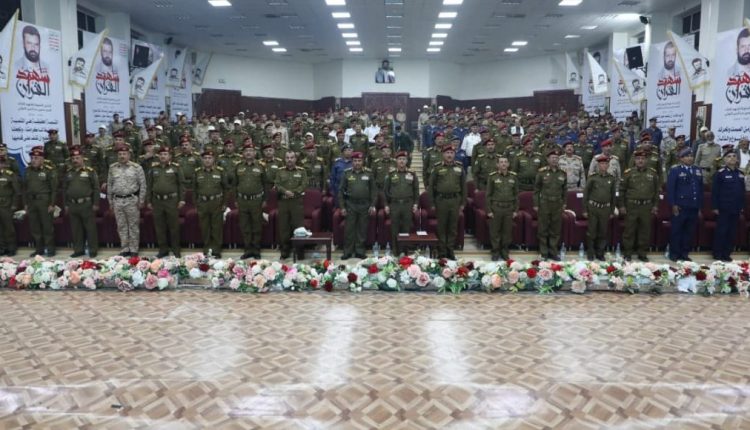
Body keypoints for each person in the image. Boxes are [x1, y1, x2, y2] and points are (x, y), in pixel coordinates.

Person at [618, 150, 659, 262]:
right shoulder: (628, 173)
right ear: (635, 160)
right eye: (638, 159)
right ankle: (627, 253)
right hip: (631, 206)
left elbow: (656, 191)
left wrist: (655, 205)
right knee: (629, 230)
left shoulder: (653, 173)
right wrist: (621, 205)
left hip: (646, 206)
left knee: (645, 230)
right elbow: (622, 190)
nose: (640, 161)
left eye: (643, 159)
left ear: (646, 160)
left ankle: (642, 253)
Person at [107, 144, 147, 257]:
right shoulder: (112, 168)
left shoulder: (137, 168)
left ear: (129, 155)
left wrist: (141, 200)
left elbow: (143, 185)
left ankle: (134, 249)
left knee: (133, 226)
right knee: (121, 226)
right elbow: (110, 185)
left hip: (132, 200)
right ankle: (124, 248)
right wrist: (110, 201)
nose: (122, 156)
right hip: (117, 201)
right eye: (120, 154)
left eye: (124, 154)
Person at [146, 146, 185, 258]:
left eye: (165, 154)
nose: (162, 156)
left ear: (170, 156)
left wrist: (182, 199)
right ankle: (163, 249)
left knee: (174, 226)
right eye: (161, 154)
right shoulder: (153, 168)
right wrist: (148, 200)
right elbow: (149, 185)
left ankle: (176, 249)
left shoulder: (176, 167)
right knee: (159, 227)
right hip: (157, 201)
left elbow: (181, 185)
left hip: (171, 201)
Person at [428, 146, 466, 260]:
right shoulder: (437, 167)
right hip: (441, 201)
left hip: (455, 201)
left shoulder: (459, 167)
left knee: (452, 227)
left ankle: (450, 250)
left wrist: (463, 203)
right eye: (447, 152)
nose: (449, 155)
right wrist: (432, 203)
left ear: (454, 154)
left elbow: (464, 186)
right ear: (443, 154)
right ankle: (442, 251)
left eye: (451, 153)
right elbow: (431, 186)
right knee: (442, 227)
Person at [666, 148, 703, 262]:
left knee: (689, 232)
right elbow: (670, 189)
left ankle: (684, 253)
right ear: (681, 158)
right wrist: (673, 204)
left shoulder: (697, 170)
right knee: (676, 231)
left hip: (693, 206)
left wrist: (699, 206)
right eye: (687, 156)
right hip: (680, 206)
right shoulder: (675, 170)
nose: (690, 158)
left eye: (691, 156)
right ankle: (674, 253)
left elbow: (700, 189)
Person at [339, 152, 376, 259]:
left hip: (365, 205)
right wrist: (342, 207)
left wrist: (372, 205)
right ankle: (348, 251)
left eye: (359, 161)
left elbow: (374, 191)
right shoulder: (347, 173)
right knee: (349, 229)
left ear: (363, 161)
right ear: (352, 162)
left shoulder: (369, 173)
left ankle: (360, 251)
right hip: (351, 205)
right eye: (355, 161)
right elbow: (341, 191)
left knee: (362, 229)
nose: (357, 163)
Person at [64, 147, 99, 258]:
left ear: (82, 158)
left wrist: (96, 203)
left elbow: (96, 188)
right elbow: (65, 189)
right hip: (72, 204)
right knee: (76, 229)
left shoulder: (90, 171)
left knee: (90, 228)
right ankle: (79, 250)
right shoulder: (68, 173)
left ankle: (93, 250)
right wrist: (66, 204)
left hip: (86, 204)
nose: (75, 160)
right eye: (73, 158)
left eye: (77, 158)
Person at [192, 150, 228, 258]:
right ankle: (207, 248)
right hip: (202, 203)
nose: (207, 160)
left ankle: (216, 249)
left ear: (214, 159)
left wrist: (224, 203)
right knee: (204, 227)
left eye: (209, 158)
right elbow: (194, 189)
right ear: (202, 160)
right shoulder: (197, 172)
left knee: (216, 227)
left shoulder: (220, 171)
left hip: (216, 202)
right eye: (205, 158)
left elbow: (226, 188)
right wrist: (196, 204)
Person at [711, 149, 745, 262]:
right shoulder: (720, 173)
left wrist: (742, 206)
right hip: (723, 207)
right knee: (722, 231)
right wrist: (715, 207)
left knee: (732, 232)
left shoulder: (740, 174)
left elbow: (742, 192)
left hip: (736, 208)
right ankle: (717, 253)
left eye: (734, 156)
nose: (732, 158)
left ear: (737, 159)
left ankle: (726, 253)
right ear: (725, 159)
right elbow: (715, 192)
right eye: (729, 156)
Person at [234, 143, 266, 259]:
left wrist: (265, 199)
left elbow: (265, 184)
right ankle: (248, 249)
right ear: (243, 153)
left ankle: (256, 249)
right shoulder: (238, 166)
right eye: (246, 151)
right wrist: (236, 199)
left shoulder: (261, 166)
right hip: (242, 200)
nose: (248, 153)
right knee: (245, 226)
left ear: (255, 153)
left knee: (257, 225)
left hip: (256, 200)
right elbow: (235, 184)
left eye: (251, 150)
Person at [23, 147, 57, 257]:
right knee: (35, 227)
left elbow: (54, 189)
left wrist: (52, 204)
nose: (33, 160)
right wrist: (25, 204)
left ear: (42, 159)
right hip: (31, 202)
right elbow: (24, 189)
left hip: (44, 202)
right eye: (32, 158)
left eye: (36, 158)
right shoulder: (28, 170)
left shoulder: (48, 170)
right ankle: (39, 249)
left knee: (47, 227)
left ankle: (50, 249)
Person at [384, 151, 419, 256]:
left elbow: (416, 190)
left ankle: (404, 252)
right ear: (396, 161)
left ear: (407, 161)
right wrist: (386, 205)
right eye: (400, 159)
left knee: (406, 228)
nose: (402, 161)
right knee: (394, 228)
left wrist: (415, 204)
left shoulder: (412, 174)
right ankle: (395, 252)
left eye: (404, 159)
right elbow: (385, 191)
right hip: (394, 205)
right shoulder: (391, 174)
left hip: (407, 204)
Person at [534, 149, 567, 260]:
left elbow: (564, 190)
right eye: (552, 158)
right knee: (543, 228)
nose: (554, 160)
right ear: (548, 159)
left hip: (557, 204)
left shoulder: (562, 173)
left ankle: (553, 252)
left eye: (556, 158)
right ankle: (543, 252)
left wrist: (564, 203)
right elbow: (536, 189)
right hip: (545, 203)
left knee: (555, 229)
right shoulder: (542, 172)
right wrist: (536, 204)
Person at [583, 155, 616, 261]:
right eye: (602, 164)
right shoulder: (593, 177)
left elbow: (613, 196)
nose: (604, 166)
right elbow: (586, 194)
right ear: (598, 165)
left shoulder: (611, 178)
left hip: (605, 209)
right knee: (592, 232)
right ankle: (590, 252)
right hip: (593, 208)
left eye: (606, 164)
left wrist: (612, 210)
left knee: (603, 232)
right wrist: (584, 210)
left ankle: (600, 253)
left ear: (608, 165)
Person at [275, 151, 307, 259]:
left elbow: (304, 184)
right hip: (283, 202)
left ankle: (299, 250)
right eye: (287, 157)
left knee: (298, 226)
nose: (289, 159)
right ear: (284, 159)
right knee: (284, 227)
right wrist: (285, 192)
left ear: (295, 159)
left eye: (292, 157)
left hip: (296, 201)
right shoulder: (280, 171)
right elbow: (277, 184)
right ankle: (285, 249)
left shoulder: (302, 171)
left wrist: (294, 192)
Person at [486, 156, 518, 261]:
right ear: (497, 165)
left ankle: (504, 251)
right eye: (501, 162)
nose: (503, 164)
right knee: (495, 232)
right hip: (496, 208)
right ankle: (495, 251)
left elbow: (516, 195)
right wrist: (489, 210)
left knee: (507, 232)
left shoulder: (513, 177)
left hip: (509, 208)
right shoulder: (492, 177)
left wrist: (516, 210)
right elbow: (488, 195)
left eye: (505, 162)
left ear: (508, 164)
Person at [0, 155, 20, 256]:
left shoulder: (10, 175)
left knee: (8, 228)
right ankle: (2, 248)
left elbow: (17, 192)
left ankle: (11, 248)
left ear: (3, 164)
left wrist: (14, 205)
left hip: (6, 205)